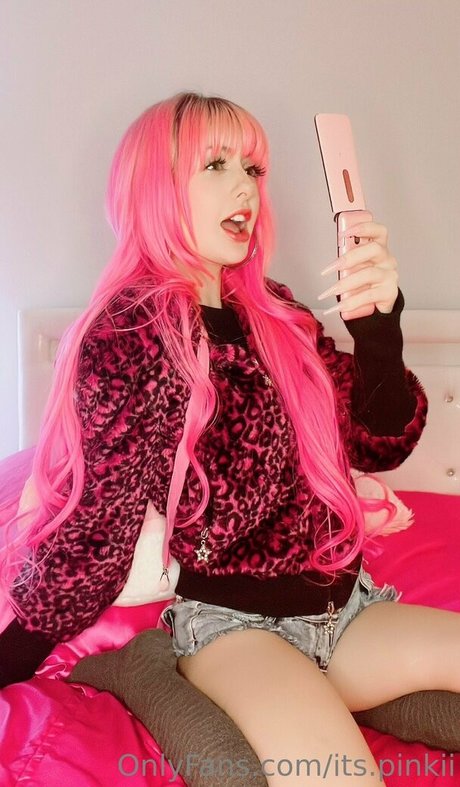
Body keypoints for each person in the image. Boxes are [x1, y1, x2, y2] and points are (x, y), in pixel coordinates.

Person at [0, 91, 455, 786]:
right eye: (215, 165)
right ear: (155, 184)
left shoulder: (278, 315)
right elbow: (96, 533)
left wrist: (378, 333)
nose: (246, 187)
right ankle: (147, 668)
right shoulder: (128, 338)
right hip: (237, 628)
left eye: (253, 168)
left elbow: (378, 446)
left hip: (348, 611)